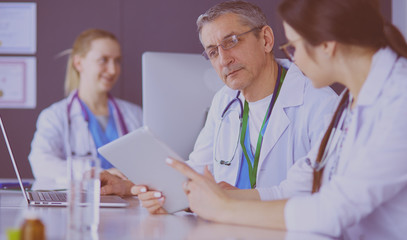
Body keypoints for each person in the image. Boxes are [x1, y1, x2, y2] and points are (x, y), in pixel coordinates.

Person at [160, 0, 407, 239]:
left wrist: (224, 209)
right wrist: (218, 198)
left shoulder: (398, 102)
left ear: (326, 44)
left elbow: (334, 210)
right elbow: (295, 187)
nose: (294, 59)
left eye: (294, 47)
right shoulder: (349, 102)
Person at [101, 1, 338, 197]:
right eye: (213, 52)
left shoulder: (319, 104)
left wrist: (236, 201)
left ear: (266, 39)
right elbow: (197, 173)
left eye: (232, 42)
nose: (224, 60)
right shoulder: (224, 101)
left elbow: (326, 195)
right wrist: (130, 188)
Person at [29, 29, 143, 186]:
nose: (113, 70)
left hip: (129, 204)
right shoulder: (55, 116)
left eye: (117, 61)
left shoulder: (135, 114)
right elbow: (41, 163)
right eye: (103, 60)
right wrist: (95, 173)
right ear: (78, 63)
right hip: (80, 203)